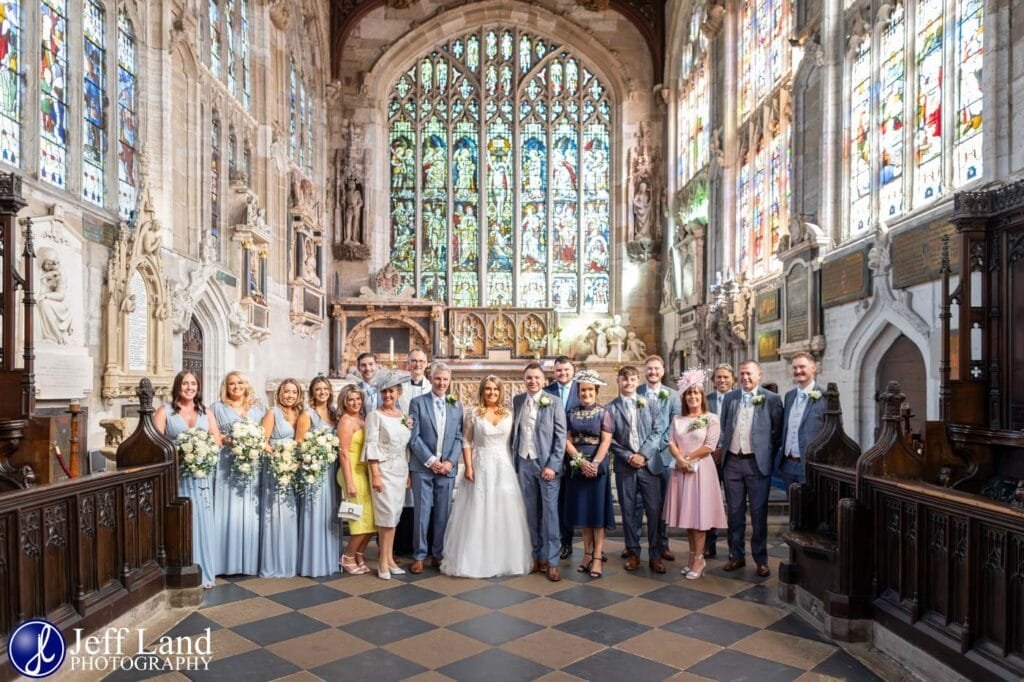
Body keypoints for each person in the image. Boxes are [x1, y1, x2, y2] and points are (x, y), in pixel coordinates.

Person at [441, 376, 533, 578]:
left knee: (503, 510)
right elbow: (466, 441)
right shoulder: (473, 413)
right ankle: (476, 559)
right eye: (488, 389)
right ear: (482, 391)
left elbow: (515, 440)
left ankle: (505, 558)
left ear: (501, 392)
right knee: (479, 510)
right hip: (480, 465)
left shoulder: (509, 413)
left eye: (495, 390)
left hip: (503, 467)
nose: (492, 393)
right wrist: (469, 466)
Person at [155, 370, 223, 589]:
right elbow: (156, 445)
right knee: (184, 520)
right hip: (178, 476)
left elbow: (217, 440)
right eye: (185, 383)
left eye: (193, 383)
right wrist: (182, 451)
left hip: (201, 476)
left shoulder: (206, 411)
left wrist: (204, 450)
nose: (190, 387)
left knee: (202, 521)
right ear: (178, 386)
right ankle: (183, 571)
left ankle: (204, 573)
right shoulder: (165, 411)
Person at [718, 360, 783, 578]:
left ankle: (761, 560)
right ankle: (736, 556)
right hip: (733, 463)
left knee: (758, 514)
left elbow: (777, 433)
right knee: (734, 514)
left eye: (749, 374)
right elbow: (725, 426)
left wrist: (765, 456)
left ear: (759, 375)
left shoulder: (772, 399)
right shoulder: (730, 397)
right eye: (742, 373)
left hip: (757, 464)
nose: (745, 377)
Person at [665, 370, 728, 579]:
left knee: (699, 518)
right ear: (684, 397)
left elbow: (710, 446)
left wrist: (687, 457)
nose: (693, 397)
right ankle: (693, 557)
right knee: (689, 519)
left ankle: (700, 560)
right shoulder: (677, 418)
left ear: (702, 396)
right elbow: (671, 442)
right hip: (682, 470)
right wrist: (680, 459)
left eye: (696, 393)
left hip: (701, 471)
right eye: (689, 394)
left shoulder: (711, 418)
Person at [604, 365, 667, 573]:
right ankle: (633, 552)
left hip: (649, 466)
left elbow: (659, 431)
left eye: (632, 380)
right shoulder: (610, 408)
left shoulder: (650, 403)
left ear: (637, 381)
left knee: (654, 512)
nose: (628, 383)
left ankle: (656, 555)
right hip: (625, 467)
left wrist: (644, 454)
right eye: (624, 379)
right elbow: (609, 439)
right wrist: (629, 456)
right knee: (629, 512)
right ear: (618, 381)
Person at [512, 362, 568, 582]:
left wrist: (552, 465)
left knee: (550, 515)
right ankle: (537, 556)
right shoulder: (518, 401)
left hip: (546, 467)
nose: (533, 381)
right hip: (524, 463)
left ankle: (553, 561)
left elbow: (560, 437)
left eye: (536, 378)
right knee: (530, 513)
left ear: (544, 381)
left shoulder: (554, 402)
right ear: (524, 380)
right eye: (528, 378)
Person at [407, 363, 463, 573]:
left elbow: (459, 436)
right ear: (431, 379)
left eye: (445, 379)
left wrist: (449, 461)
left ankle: (438, 554)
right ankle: (419, 555)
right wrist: (431, 460)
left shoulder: (456, 405)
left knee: (443, 513)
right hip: (423, 467)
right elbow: (414, 437)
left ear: (450, 381)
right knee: (422, 513)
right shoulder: (417, 403)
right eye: (438, 379)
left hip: (447, 469)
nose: (441, 383)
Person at [211, 371, 265, 577]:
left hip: (252, 464)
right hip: (227, 464)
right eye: (232, 384)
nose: (236, 387)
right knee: (227, 510)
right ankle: (224, 562)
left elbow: (264, 434)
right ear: (226, 387)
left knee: (250, 511)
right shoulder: (217, 408)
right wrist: (225, 440)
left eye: (240, 383)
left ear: (246, 385)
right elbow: (212, 434)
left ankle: (249, 561)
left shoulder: (257, 408)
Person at [563, 370, 614, 579]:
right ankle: (586, 554)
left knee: (597, 514)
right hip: (577, 463)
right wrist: (580, 461)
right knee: (584, 513)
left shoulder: (603, 413)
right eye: (583, 390)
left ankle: (597, 557)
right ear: (578, 391)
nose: (586, 394)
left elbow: (606, 440)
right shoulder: (571, 413)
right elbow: (566, 440)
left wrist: (594, 463)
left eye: (590, 390)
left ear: (596, 391)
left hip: (597, 464)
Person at [364, 370, 413, 579]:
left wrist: (408, 472)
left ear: (399, 393)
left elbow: (406, 447)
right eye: (384, 392)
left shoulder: (403, 417)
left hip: (400, 471)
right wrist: (375, 474)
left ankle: (390, 559)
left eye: (391, 392)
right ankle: (382, 562)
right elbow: (371, 445)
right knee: (385, 518)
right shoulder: (374, 416)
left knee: (394, 517)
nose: (387, 396)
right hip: (383, 471)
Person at [295, 377, 340, 578]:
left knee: (330, 513)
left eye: (325, 389)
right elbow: (299, 443)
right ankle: (312, 562)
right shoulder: (307, 415)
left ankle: (330, 558)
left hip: (332, 469)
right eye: (318, 389)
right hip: (315, 470)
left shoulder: (334, 414)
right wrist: (315, 453)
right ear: (312, 393)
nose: (322, 392)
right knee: (314, 513)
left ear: (330, 392)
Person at [260, 379, 303, 578]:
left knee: (291, 512)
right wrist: (278, 457)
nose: (290, 396)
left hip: (293, 469)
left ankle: (290, 560)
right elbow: (263, 441)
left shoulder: (299, 414)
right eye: (286, 392)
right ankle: (275, 562)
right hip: (276, 467)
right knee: (276, 513)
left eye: (293, 392)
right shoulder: (272, 413)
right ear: (279, 393)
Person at [641, 355, 681, 562]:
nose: (653, 372)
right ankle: (634, 546)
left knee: (663, 504)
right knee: (639, 504)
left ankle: (662, 544)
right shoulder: (637, 392)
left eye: (656, 369)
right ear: (644, 371)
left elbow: (674, 425)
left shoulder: (673, 395)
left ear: (663, 371)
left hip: (663, 456)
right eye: (649, 369)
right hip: (639, 457)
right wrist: (642, 451)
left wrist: (651, 447)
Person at [544, 356, 581, 560]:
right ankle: (560, 541)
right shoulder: (547, 392)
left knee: (572, 500)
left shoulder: (583, 389)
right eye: (558, 371)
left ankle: (570, 540)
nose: (563, 374)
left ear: (572, 371)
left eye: (566, 370)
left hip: (577, 452)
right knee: (556, 502)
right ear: (554, 372)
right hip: (553, 455)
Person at [336, 385, 374, 574]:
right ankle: (347, 557)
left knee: (372, 519)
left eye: (358, 399)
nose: (355, 403)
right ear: (344, 401)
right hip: (350, 471)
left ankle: (359, 554)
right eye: (351, 399)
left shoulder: (361, 418)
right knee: (358, 518)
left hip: (363, 470)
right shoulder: (345, 421)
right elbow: (343, 452)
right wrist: (349, 482)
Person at [397, 349, 431, 555]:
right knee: (403, 495)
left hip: (425, 448)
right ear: (407, 363)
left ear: (427, 363)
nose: (417, 365)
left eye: (421, 361)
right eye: (413, 361)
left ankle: (422, 544)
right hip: (402, 446)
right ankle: (401, 545)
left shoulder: (433, 385)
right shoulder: (399, 388)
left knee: (422, 498)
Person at [777, 352, 829, 491]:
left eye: (802, 367)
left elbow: (833, 432)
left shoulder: (826, 397)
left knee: (810, 508)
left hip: (810, 464)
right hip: (788, 463)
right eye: (794, 368)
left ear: (814, 368)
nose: (798, 371)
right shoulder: (789, 396)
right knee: (793, 508)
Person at [704, 363, 735, 557]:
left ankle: (734, 550)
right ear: (714, 380)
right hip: (710, 458)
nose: (722, 380)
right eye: (718, 377)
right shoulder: (706, 400)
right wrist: (711, 449)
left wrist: (724, 449)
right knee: (709, 502)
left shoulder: (740, 398)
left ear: (733, 379)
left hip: (732, 459)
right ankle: (709, 544)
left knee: (734, 505)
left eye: (725, 377)